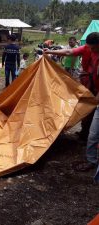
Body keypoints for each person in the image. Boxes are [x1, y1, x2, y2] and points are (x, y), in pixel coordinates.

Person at [45, 32, 99, 175]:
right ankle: (84, 135)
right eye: (89, 48)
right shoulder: (87, 48)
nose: (91, 50)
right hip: (89, 85)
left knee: (94, 118)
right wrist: (50, 51)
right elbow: (69, 51)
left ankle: (91, 148)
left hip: (96, 89)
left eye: (93, 48)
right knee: (86, 112)